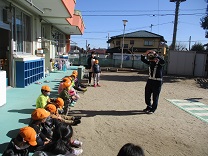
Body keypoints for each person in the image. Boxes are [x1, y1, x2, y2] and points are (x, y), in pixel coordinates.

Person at [141, 50, 165, 114]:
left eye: (152, 55)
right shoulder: (150, 62)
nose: (152, 57)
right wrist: (145, 53)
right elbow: (143, 59)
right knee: (147, 94)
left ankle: (153, 109)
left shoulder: (159, 63)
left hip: (157, 81)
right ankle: (149, 106)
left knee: (155, 96)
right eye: (150, 55)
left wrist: (156, 56)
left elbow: (163, 62)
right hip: (150, 80)